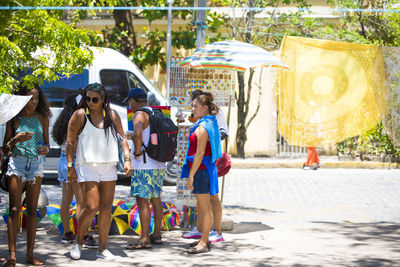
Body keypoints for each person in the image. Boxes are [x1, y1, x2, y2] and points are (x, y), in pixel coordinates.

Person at [67, 83, 132, 260]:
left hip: (109, 165)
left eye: (95, 99)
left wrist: (127, 159)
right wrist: (70, 166)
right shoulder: (80, 115)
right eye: (87, 99)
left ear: (103, 100)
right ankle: (78, 243)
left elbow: (122, 138)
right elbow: (70, 142)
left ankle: (102, 249)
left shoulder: (111, 115)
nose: (90, 102)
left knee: (105, 209)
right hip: (88, 165)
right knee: (91, 206)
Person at [1, 82, 52, 266]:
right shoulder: (14, 117)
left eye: (37, 98)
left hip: (36, 164)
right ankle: (12, 256)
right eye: (31, 98)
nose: (34, 102)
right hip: (17, 163)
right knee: (14, 210)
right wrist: (15, 139)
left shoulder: (42, 116)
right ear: (23, 98)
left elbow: (47, 144)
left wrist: (45, 148)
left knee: (32, 210)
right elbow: (5, 148)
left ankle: (30, 255)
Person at [51, 94, 98, 248]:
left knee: (65, 200)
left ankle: (67, 233)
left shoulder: (63, 121)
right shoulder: (77, 120)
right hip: (74, 163)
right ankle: (83, 235)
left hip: (63, 161)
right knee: (81, 202)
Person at [182, 90, 226, 243]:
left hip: (203, 168)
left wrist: (192, 174)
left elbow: (200, 153)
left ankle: (209, 236)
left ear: (204, 107)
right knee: (203, 203)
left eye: (195, 105)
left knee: (209, 203)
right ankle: (202, 232)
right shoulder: (205, 122)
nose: (192, 109)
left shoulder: (205, 125)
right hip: (203, 167)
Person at [125, 88, 166, 249]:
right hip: (158, 164)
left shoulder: (139, 114)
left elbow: (138, 132)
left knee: (142, 201)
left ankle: (144, 238)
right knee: (156, 199)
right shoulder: (154, 112)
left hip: (144, 165)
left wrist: (136, 153)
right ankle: (156, 234)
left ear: (132, 101)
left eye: (129, 102)